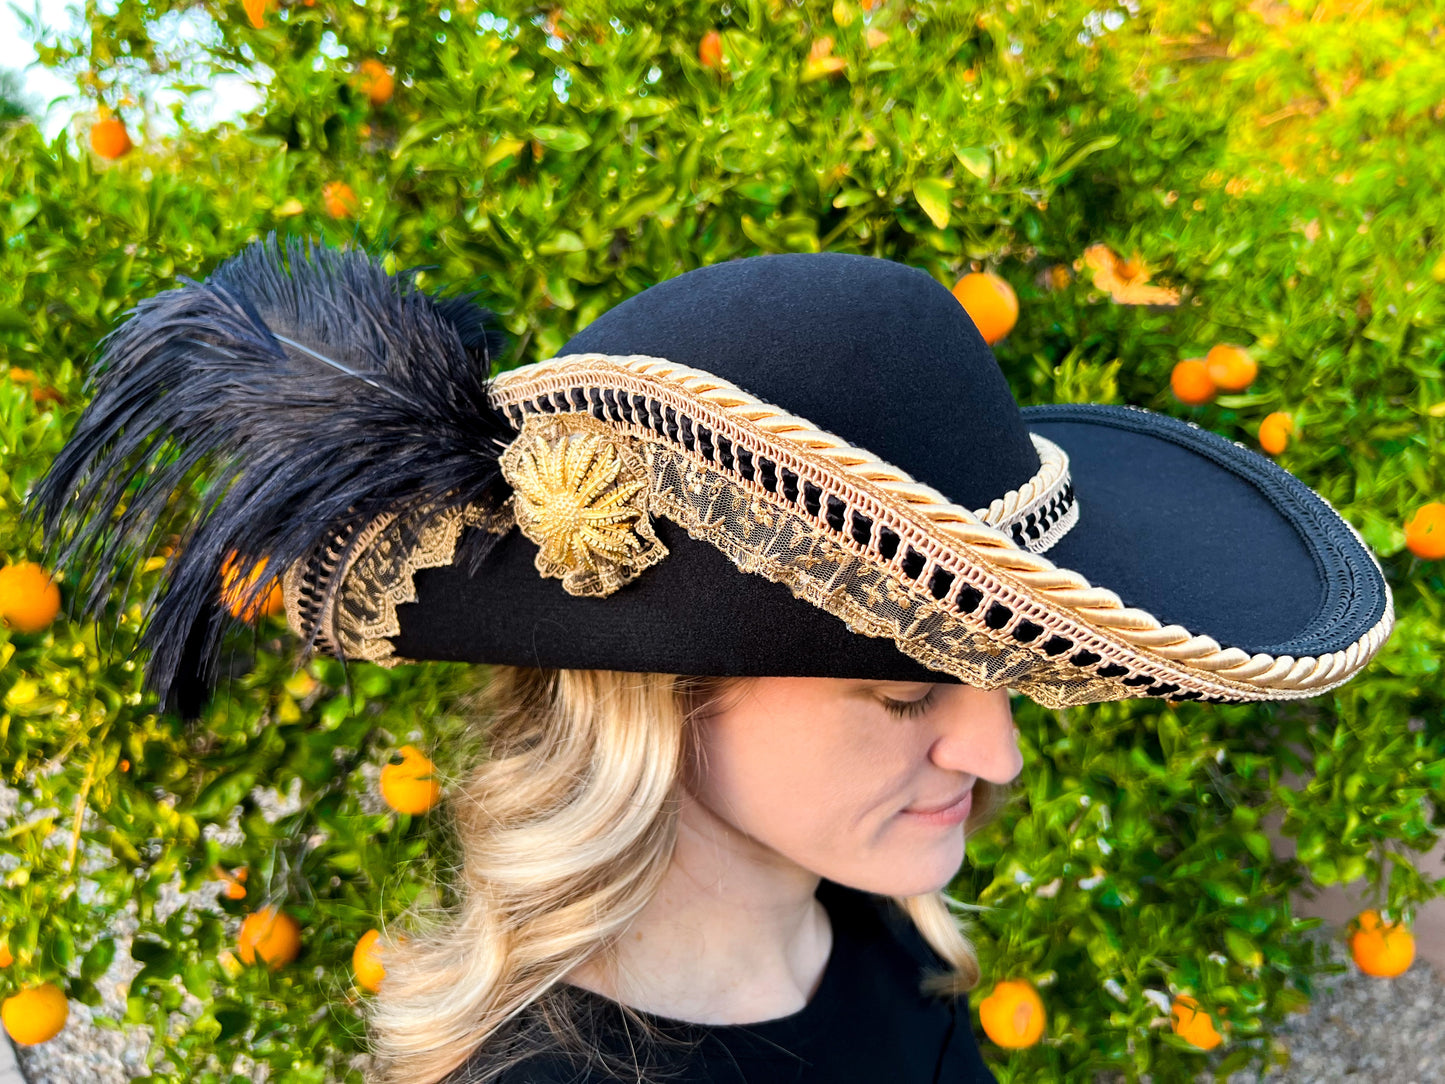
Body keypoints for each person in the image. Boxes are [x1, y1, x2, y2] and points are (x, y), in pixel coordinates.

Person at [32, 234, 1395, 1084]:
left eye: (1000, 687)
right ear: (663, 700)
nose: (995, 753)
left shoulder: (866, 936)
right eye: (905, 689)